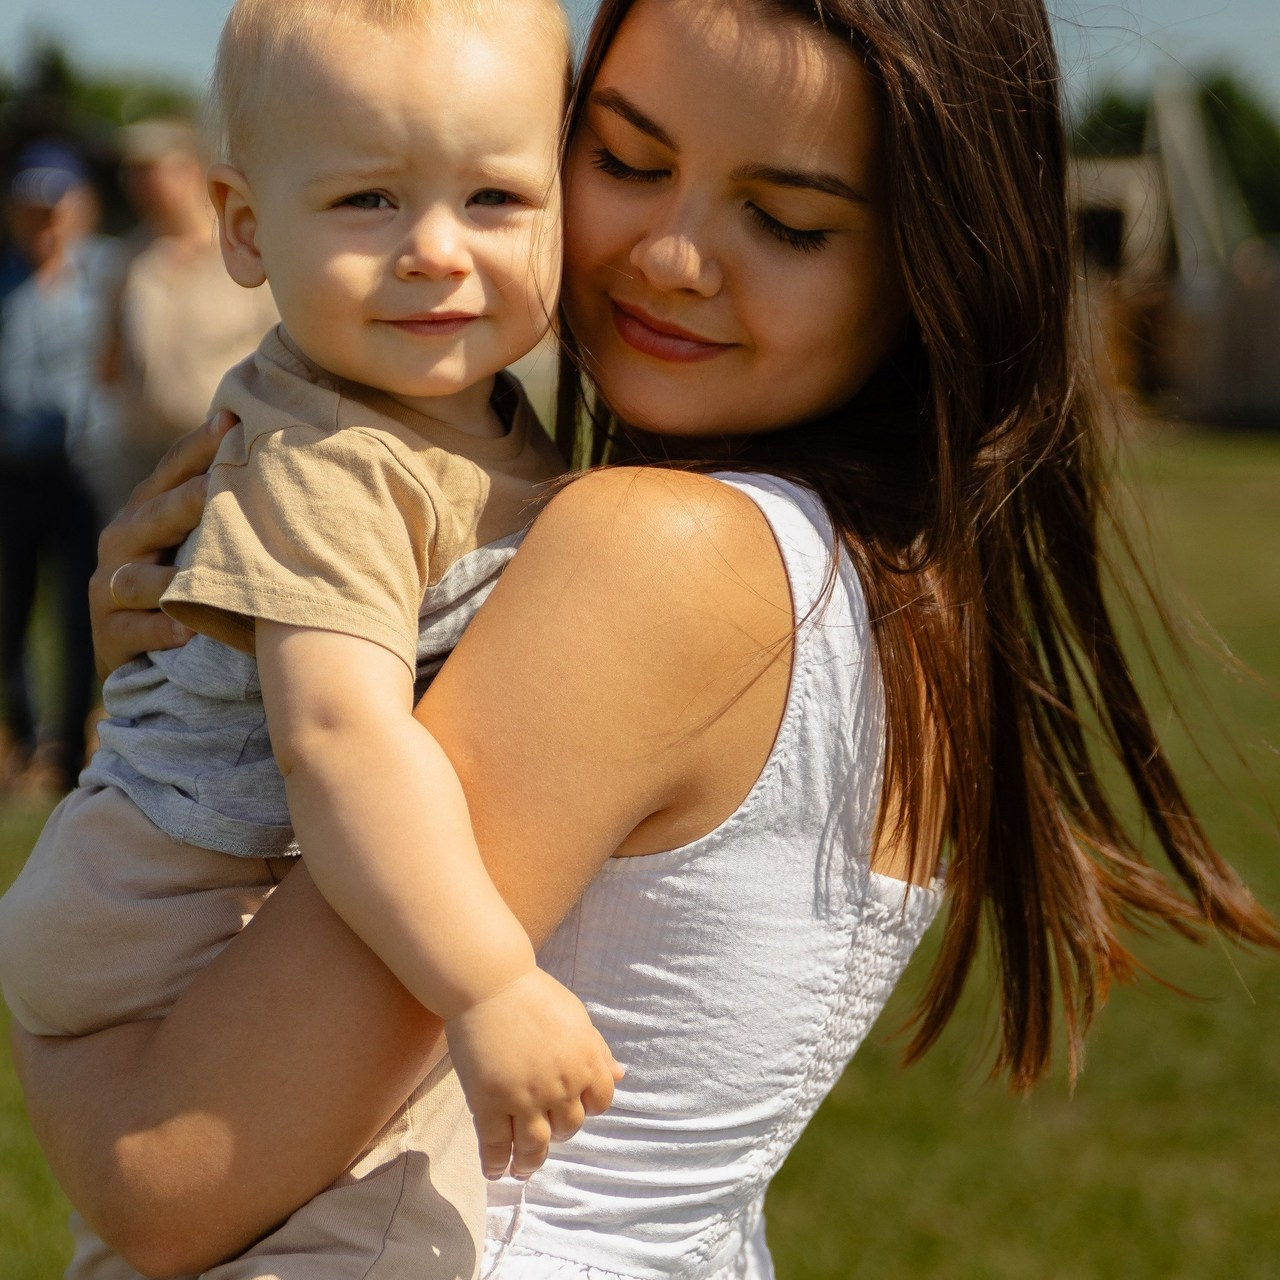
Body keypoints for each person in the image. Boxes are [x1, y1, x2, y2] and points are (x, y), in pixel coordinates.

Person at [11, 0, 1280, 1277]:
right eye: (622, 161)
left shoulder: (654, 555)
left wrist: (87, 932)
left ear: (928, 260)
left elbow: (160, 1173)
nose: (673, 256)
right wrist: (222, 665)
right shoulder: (896, 579)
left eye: (786, 221)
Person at [0, 1, 621, 1275]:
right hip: (177, 907)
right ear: (245, 227)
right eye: (368, 202)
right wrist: (490, 986)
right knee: (369, 1236)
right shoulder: (332, 458)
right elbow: (339, 740)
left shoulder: (465, 417)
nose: (436, 251)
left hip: (174, 886)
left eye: (495, 198)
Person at [0, 141, 120, 795]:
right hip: (12, 471)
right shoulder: (4, 280)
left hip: (82, 471)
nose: (42, 223)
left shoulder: (109, 274)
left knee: (79, 611)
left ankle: (72, 749)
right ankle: (20, 739)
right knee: (12, 612)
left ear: (79, 210)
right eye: (30, 210)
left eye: (53, 210)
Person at [89, 117, 280, 518]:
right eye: (132, 171)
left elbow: (283, 348)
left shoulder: (247, 250)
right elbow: (106, 359)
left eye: (151, 170)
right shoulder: (128, 258)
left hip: (232, 455)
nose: (138, 183)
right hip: (143, 459)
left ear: (193, 170)